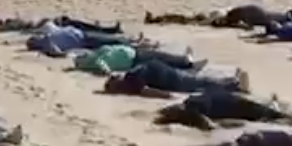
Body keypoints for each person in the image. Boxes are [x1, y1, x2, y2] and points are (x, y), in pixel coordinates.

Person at [152, 91, 292, 131]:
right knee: (263, 111)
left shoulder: (191, 108)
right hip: (230, 101)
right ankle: (291, 115)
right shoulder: (190, 102)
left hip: (232, 105)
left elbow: (209, 125)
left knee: (262, 113)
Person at [102, 64, 248, 97]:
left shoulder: (131, 75)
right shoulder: (131, 80)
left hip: (172, 75)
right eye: (114, 78)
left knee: (202, 82)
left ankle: (233, 83)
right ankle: (234, 84)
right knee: (201, 83)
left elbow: (146, 90)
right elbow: (146, 91)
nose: (116, 75)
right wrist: (167, 95)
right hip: (173, 78)